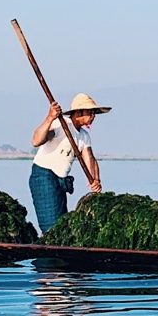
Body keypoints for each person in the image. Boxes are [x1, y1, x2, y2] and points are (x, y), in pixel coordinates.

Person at [30, 92, 107, 235]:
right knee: (51, 225)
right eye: (90, 112)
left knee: (61, 222)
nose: (93, 116)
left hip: (60, 180)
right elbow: (36, 141)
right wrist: (49, 118)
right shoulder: (61, 124)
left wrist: (96, 180)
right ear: (78, 112)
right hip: (43, 176)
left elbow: (89, 158)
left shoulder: (84, 136)